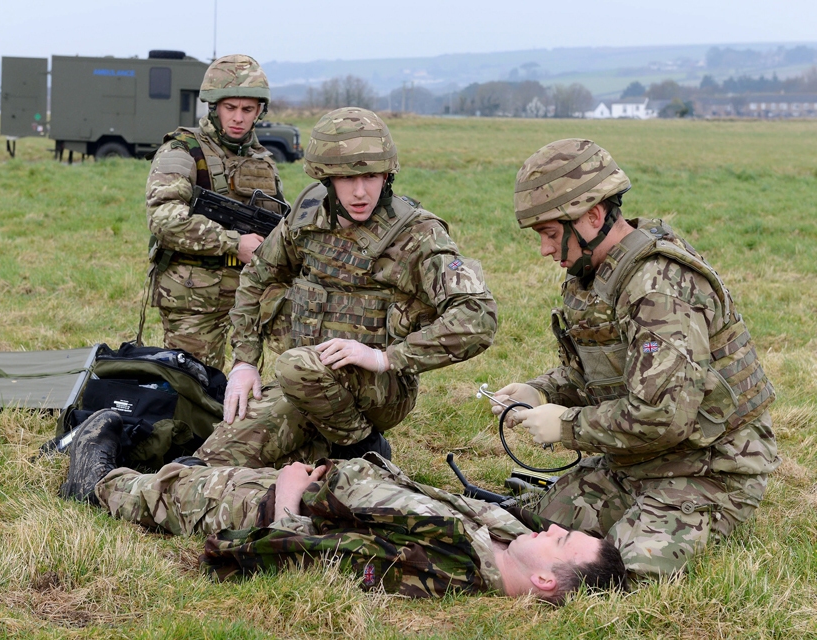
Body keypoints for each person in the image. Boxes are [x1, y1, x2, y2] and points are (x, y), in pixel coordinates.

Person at [491, 139, 779, 580]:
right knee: (519, 526)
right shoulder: (593, 277)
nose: (546, 249)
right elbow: (596, 373)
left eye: (550, 234)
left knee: (620, 571)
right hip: (634, 462)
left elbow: (662, 416)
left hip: (709, 469)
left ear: (593, 216)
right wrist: (541, 390)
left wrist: (566, 425)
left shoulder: (658, 289)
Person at [193, 106, 497, 468]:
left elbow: (479, 316)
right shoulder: (306, 218)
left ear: (387, 175)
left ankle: (363, 445)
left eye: (371, 176)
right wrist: (244, 362)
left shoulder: (419, 235)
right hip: (306, 381)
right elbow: (259, 275)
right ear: (326, 179)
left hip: (381, 390)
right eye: (345, 178)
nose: (359, 191)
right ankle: (329, 453)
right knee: (213, 460)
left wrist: (385, 358)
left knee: (294, 367)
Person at [60, 409, 627, 602]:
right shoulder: (504, 537)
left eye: (560, 541)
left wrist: (286, 503)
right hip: (326, 481)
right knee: (206, 459)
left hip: (270, 509)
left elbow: (309, 562)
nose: (552, 528)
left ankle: (93, 480)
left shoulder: (443, 571)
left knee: (165, 493)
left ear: (547, 582)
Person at [144, 54, 285, 370]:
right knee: (193, 383)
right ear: (213, 107)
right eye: (230, 108)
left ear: (259, 111)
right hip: (194, 292)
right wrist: (235, 242)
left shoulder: (262, 159)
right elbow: (163, 219)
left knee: (248, 379)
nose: (238, 118)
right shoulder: (182, 149)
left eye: (247, 110)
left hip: (249, 292)